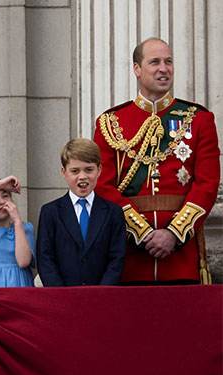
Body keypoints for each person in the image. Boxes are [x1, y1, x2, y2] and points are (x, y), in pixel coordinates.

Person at [93, 38, 220, 284]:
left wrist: (174, 233)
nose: (164, 68)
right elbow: (102, 186)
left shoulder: (199, 120)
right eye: (155, 62)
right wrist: (141, 233)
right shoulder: (110, 123)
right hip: (128, 256)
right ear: (137, 69)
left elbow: (207, 184)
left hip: (180, 257)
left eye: (169, 62)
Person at [37, 139, 126, 286]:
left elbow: (117, 258)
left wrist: (101, 293)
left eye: (89, 170)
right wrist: (60, 294)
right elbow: (45, 258)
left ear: (99, 170)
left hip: (101, 296)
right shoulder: (50, 212)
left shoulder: (113, 212)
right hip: (63, 296)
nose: (82, 176)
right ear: (64, 173)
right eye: (75, 171)